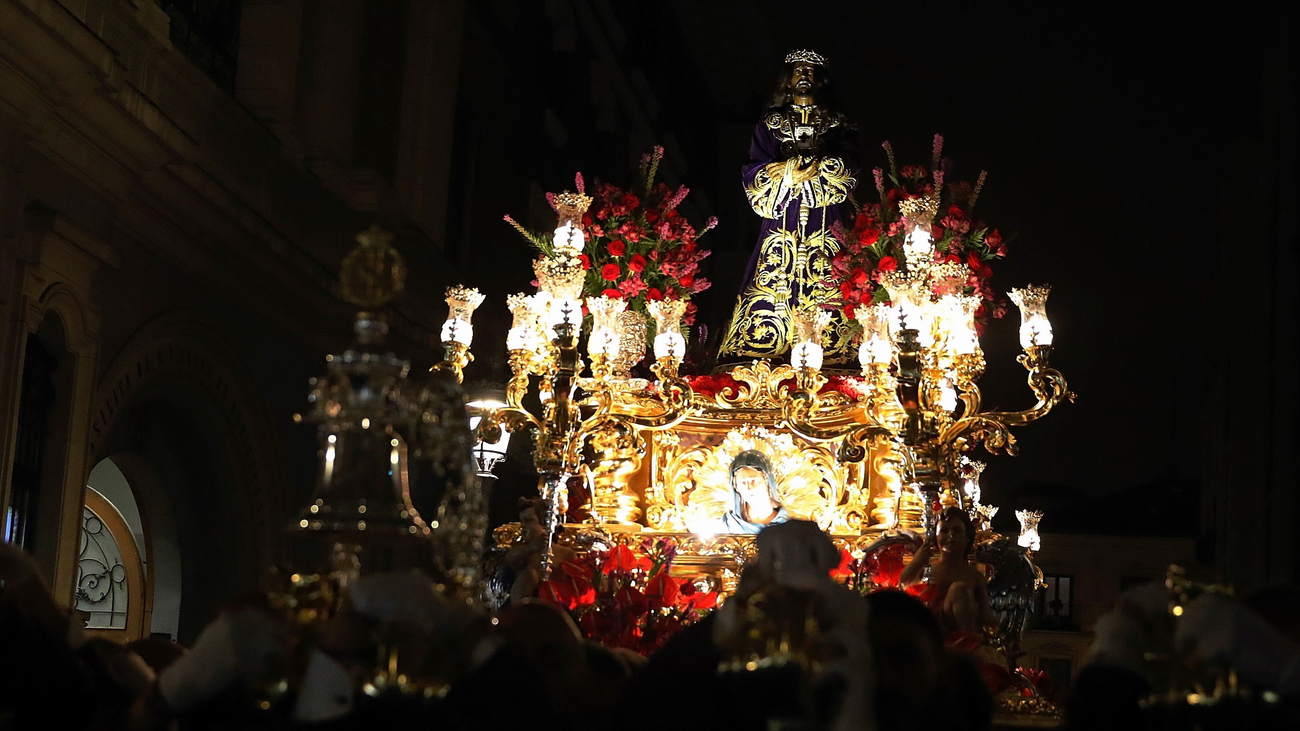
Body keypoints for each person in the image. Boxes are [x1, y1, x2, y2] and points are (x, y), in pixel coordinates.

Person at [719, 49, 859, 364]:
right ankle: (766, 345)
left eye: (810, 71)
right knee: (772, 275)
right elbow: (754, 169)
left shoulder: (837, 121)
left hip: (825, 217)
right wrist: (786, 170)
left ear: (821, 80)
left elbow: (850, 163)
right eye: (798, 71)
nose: (804, 76)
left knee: (830, 275)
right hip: (783, 218)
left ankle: (835, 350)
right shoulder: (772, 122)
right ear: (789, 78)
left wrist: (818, 166)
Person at [899, 507, 996, 634]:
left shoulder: (975, 576)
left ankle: (967, 642)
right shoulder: (928, 570)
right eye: (944, 531)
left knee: (959, 590)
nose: (951, 535)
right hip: (933, 632)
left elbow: (985, 614)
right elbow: (903, 582)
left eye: (957, 530)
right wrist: (918, 560)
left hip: (964, 635)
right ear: (935, 537)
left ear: (967, 537)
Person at [720, 450, 790, 534]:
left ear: (767, 481)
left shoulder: (787, 524)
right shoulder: (730, 525)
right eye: (743, 483)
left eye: (753, 481)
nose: (749, 488)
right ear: (736, 487)